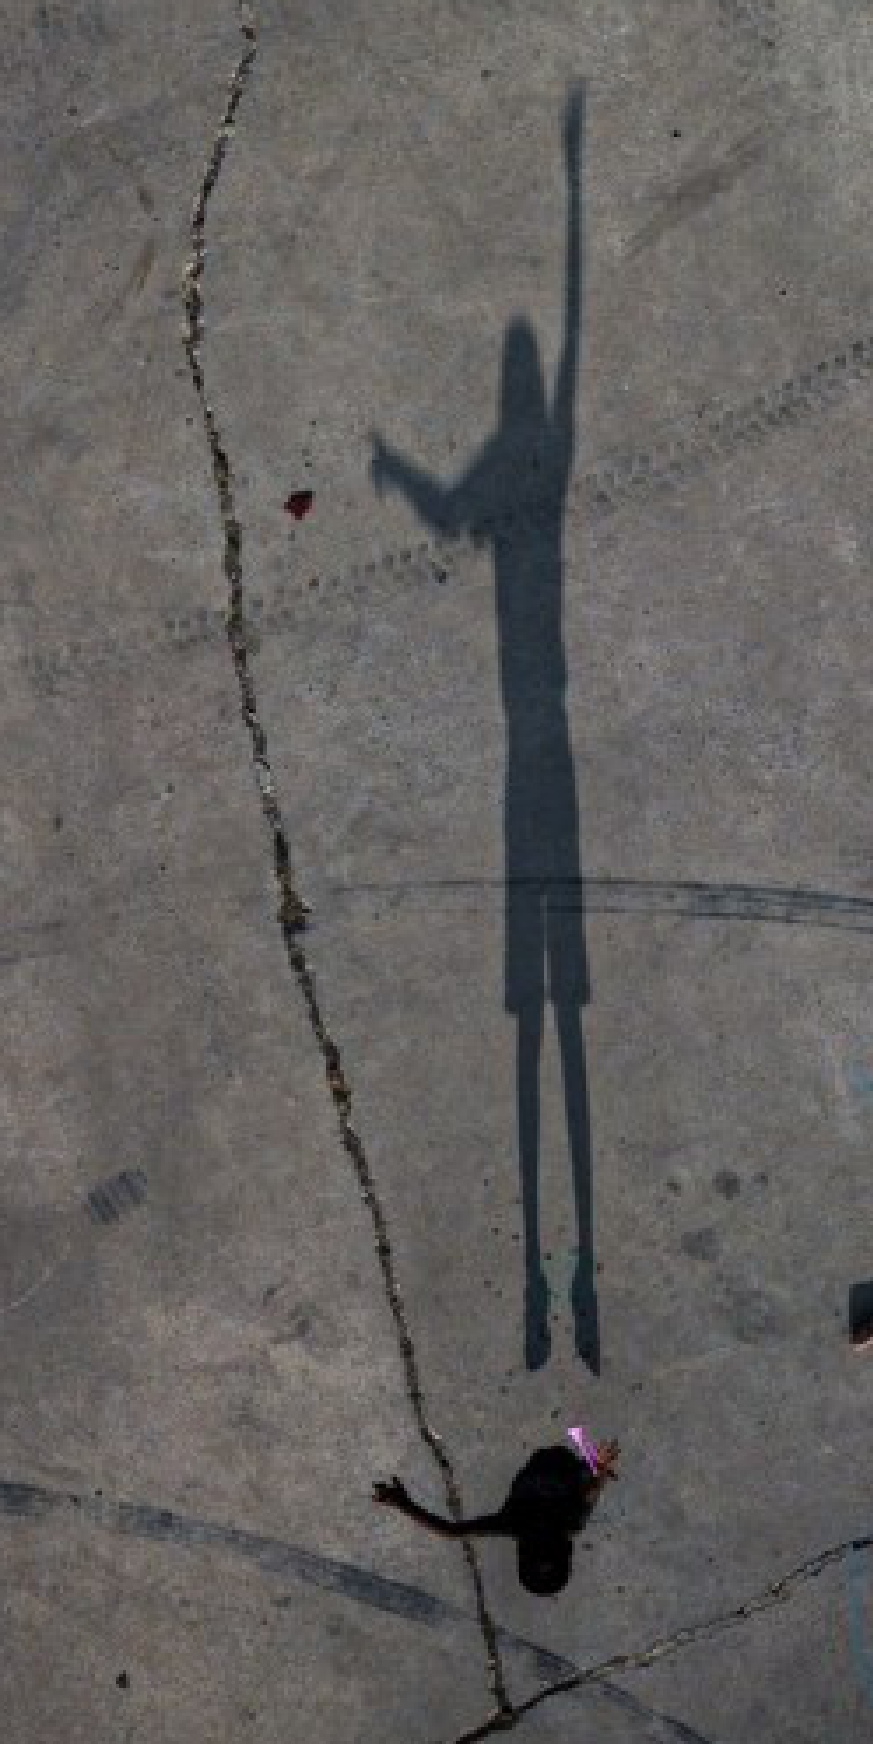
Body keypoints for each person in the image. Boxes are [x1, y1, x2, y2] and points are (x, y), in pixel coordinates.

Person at [371, 86, 598, 1372]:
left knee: (539, 1011)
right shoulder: (544, 456)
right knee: (555, 1009)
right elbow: (572, 335)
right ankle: (554, 1287)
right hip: (550, 747)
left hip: (527, 758)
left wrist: (395, 467)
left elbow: (442, 513)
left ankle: (538, 1286)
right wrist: (570, 177)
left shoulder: (518, 466)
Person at [374, 1430, 619, 1596]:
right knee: (585, 1480)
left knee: (584, 1479)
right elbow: (451, 1532)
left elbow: (451, 1531)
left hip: (552, 1471)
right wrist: (402, 1503)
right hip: (557, 1471)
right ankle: (581, 1466)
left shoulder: (532, 1524)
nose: (541, 1528)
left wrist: (403, 1503)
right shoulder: (547, 1523)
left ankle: (580, 1466)